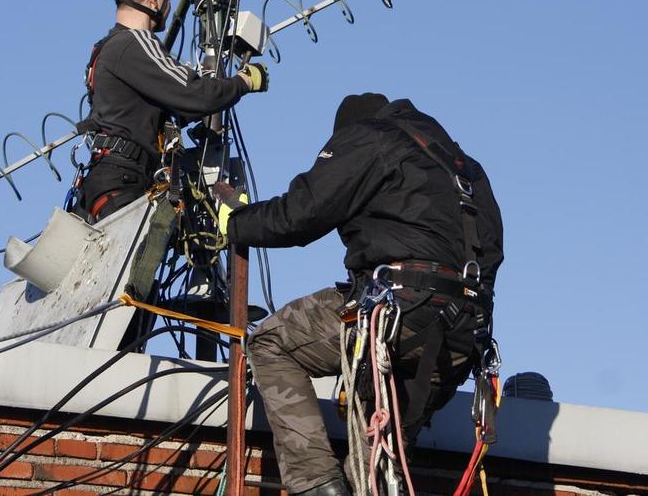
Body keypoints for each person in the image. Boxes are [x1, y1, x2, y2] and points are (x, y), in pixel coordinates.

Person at [215, 94, 504, 496]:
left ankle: (316, 484)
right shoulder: (465, 168)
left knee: (272, 342)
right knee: (374, 469)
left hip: (398, 313)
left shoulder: (371, 137)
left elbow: (302, 213)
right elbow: (492, 255)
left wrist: (237, 222)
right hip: (460, 337)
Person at [75, 0, 268, 222]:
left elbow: (177, 106)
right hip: (123, 182)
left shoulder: (108, 48)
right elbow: (196, 94)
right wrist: (243, 82)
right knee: (138, 262)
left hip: (110, 181)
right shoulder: (136, 43)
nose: (168, 6)